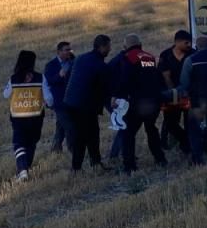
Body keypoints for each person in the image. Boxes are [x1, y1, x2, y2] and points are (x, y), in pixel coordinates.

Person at [112, 34, 169, 173]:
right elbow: (156, 77)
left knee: (128, 133)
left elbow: (125, 80)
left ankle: (129, 165)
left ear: (126, 47)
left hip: (137, 102)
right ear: (140, 44)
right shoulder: (149, 57)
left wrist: (117, 95)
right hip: (153, 101)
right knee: (151, 130)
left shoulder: (128, 58)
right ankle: (160, 158)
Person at [62, 35, 114, 172]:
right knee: (85, 137)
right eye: (108, 46)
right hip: (84, 106)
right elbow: (106, 89)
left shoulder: (80, 58)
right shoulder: (100, 65)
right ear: (102, 47)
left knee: (89, 134)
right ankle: (78, 167)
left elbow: (68, 76)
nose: (110, 49)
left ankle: (93, 163)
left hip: (71, 102)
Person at [178, 36, 207, 164]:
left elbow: (184, 82)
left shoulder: (190, 60)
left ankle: (197, 159)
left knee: (194, 130)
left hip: (197, 101)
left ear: (196, 47)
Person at [2, 50, 45, 182]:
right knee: (31, 144)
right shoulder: (40, 77)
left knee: (19, 144)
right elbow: (49, 97)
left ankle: (22, 170)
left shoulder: (14, 79)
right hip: (36, 117)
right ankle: (24, 170)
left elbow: (5, 94)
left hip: (18, 117)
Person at [158, 30, 194, 156]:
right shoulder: (165, 55)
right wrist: (173, 93)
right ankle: (183, 140)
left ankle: (188, 146)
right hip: (170, 95)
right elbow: (164, 76)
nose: (189, 45)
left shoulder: (193, 54)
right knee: (171, 123)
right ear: (177, 42)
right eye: (186, 42)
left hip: (189, 94)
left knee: (190, 122)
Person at [43, 41, 75, 152]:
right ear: (59, 52)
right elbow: (48, 81)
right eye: (66, 50)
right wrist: (59, 75)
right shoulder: (51, 65)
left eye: (70, 50)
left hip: (72, 100)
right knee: (70, 127)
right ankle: (73, 151)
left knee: (61, 125)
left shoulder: (73, 62)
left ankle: (56, 147)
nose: (69, 52)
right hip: (59, 102)